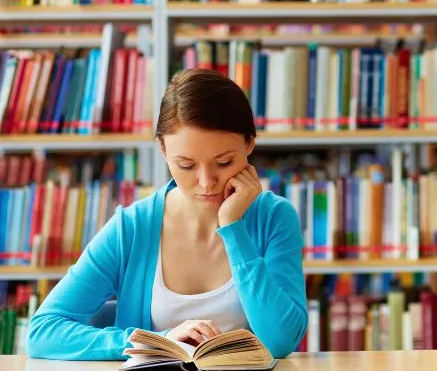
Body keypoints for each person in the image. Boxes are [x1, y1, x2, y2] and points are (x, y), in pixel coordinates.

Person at [26, 69, 308, 360]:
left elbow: (280, 340)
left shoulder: (274, 217)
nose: (206, 181)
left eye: (224, 162)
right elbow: (42, 332)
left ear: (249, 143)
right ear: (162, 149)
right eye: (186, 165)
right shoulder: (131, 228)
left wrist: (233, 228)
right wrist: (157, 342)